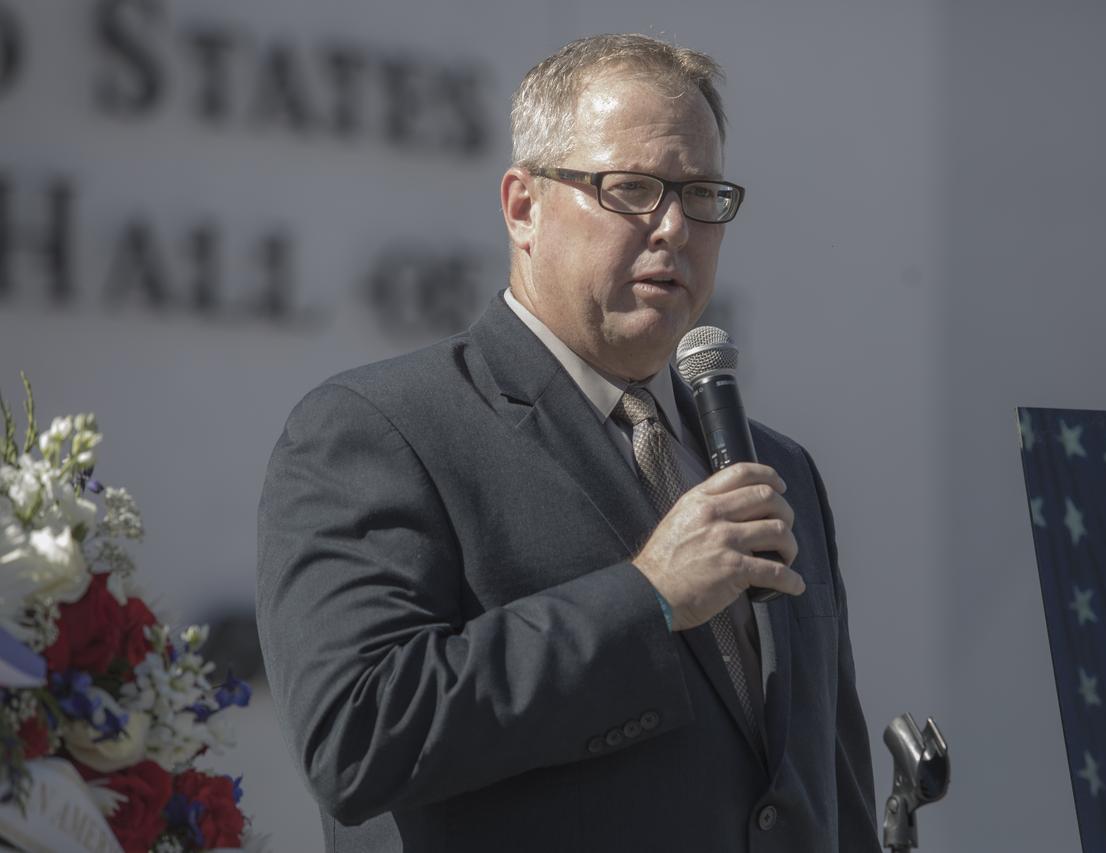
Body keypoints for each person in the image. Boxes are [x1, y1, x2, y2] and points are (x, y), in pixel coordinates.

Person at [256, 33, 879, 852]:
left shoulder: (776, 466)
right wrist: (649, 597)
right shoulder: (377, 430)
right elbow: (358, 731)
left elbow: (827, 787)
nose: (673, 227)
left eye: (701, 194)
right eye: (631, 188)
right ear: (523, 206)